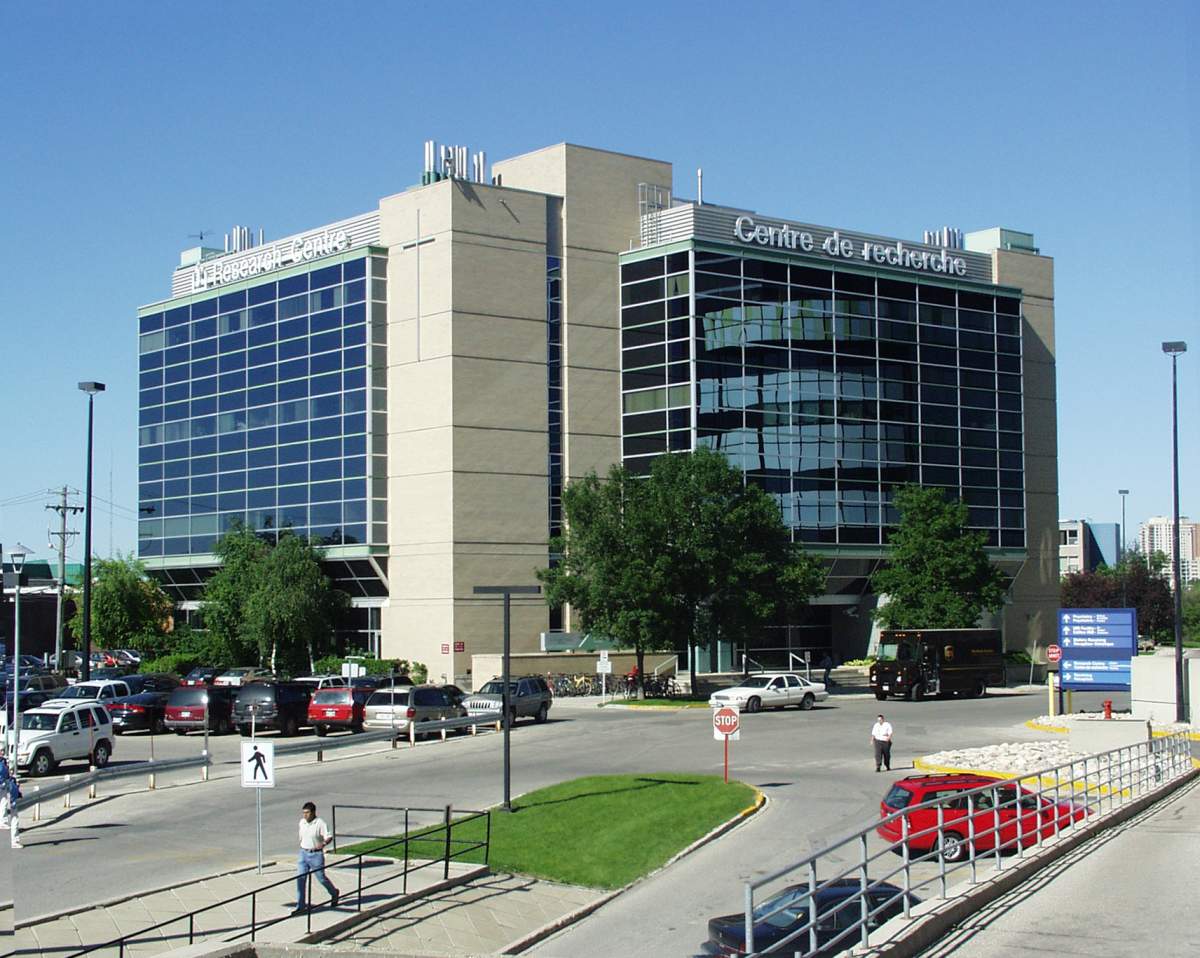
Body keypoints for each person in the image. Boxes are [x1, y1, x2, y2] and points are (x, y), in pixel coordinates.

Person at [293, 801, 339, 914]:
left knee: (321, 878)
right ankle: (300, 906)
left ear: (313, 812)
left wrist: (322, 844)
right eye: (303, 813)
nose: (305, 815)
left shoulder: (320, 823)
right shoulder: (302, 822)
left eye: (307, 813)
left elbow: (329, 836)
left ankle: (334, 893)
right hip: (303, 853)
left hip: (315, 855)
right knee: (301, 879)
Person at [0, 746, 20, 848]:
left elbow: (6, 773)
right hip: (2, 784)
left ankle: (3, 820)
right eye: (1, 751)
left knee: (3, 802)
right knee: (3, 802)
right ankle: (2, 821)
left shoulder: (3, 762)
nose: (2, 753)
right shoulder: (2, 763)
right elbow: (3, 773)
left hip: (4, 784)